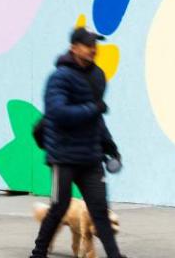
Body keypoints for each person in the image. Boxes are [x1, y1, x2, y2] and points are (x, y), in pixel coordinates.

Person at [29, 27, 126, 258]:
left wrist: (110, 146)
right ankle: (38, 253)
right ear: (74, 48)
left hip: (91, 155)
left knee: (99, 210)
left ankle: (115, 255)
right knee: (59, 207)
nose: (93, 49)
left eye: (95, 44)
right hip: (63, 156)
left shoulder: (98, 76)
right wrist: (93, 108)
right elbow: (58, 113)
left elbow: (96, 118)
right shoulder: (59, 77)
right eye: (87, 44)